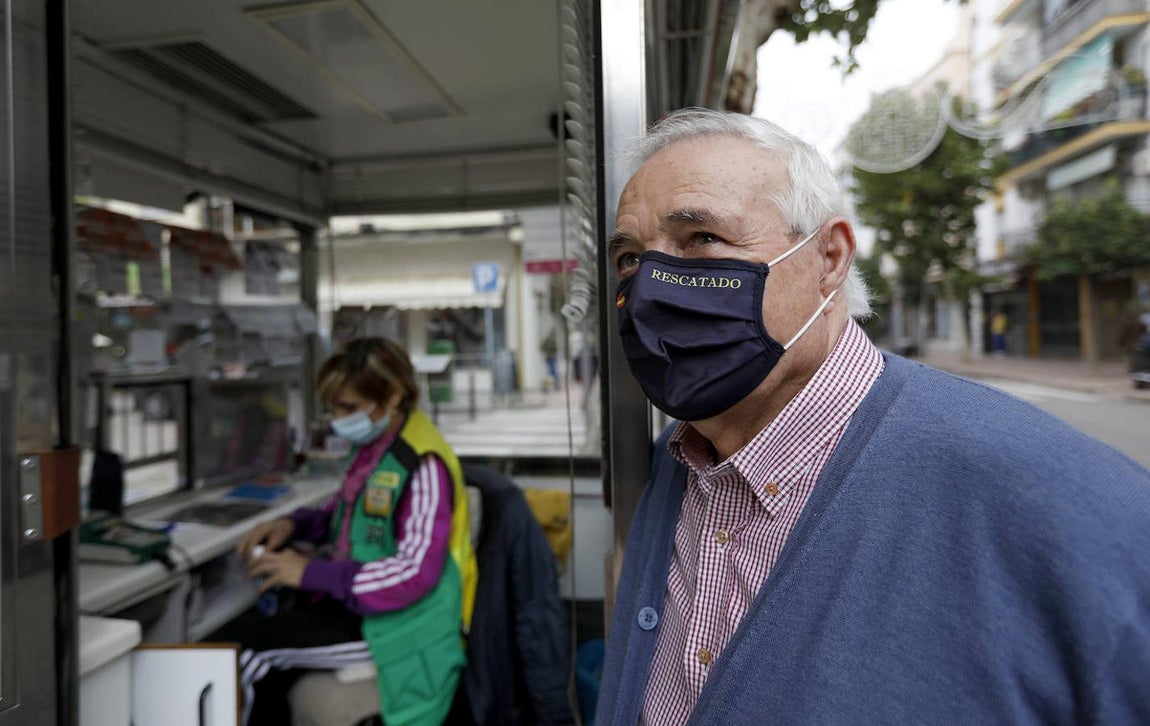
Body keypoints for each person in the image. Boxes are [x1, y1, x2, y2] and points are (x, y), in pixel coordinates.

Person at [596, 108, 1150, 725]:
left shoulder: (1066, 504)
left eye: (701, 239)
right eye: (629, 258)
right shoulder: (673, 463)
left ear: (829, 257)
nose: (649, 288)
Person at [223, 337, 478, 726]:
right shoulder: (378, 449)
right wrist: (293, 524)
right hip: (360, 607)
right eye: (332, 408)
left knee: (248, 654)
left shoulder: (423, 464)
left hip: (403, 626)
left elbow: (414, 572)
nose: (338, 419)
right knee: (247, 635)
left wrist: (309, 573)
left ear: (392, 397)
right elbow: (347, 514)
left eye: (349, 408)